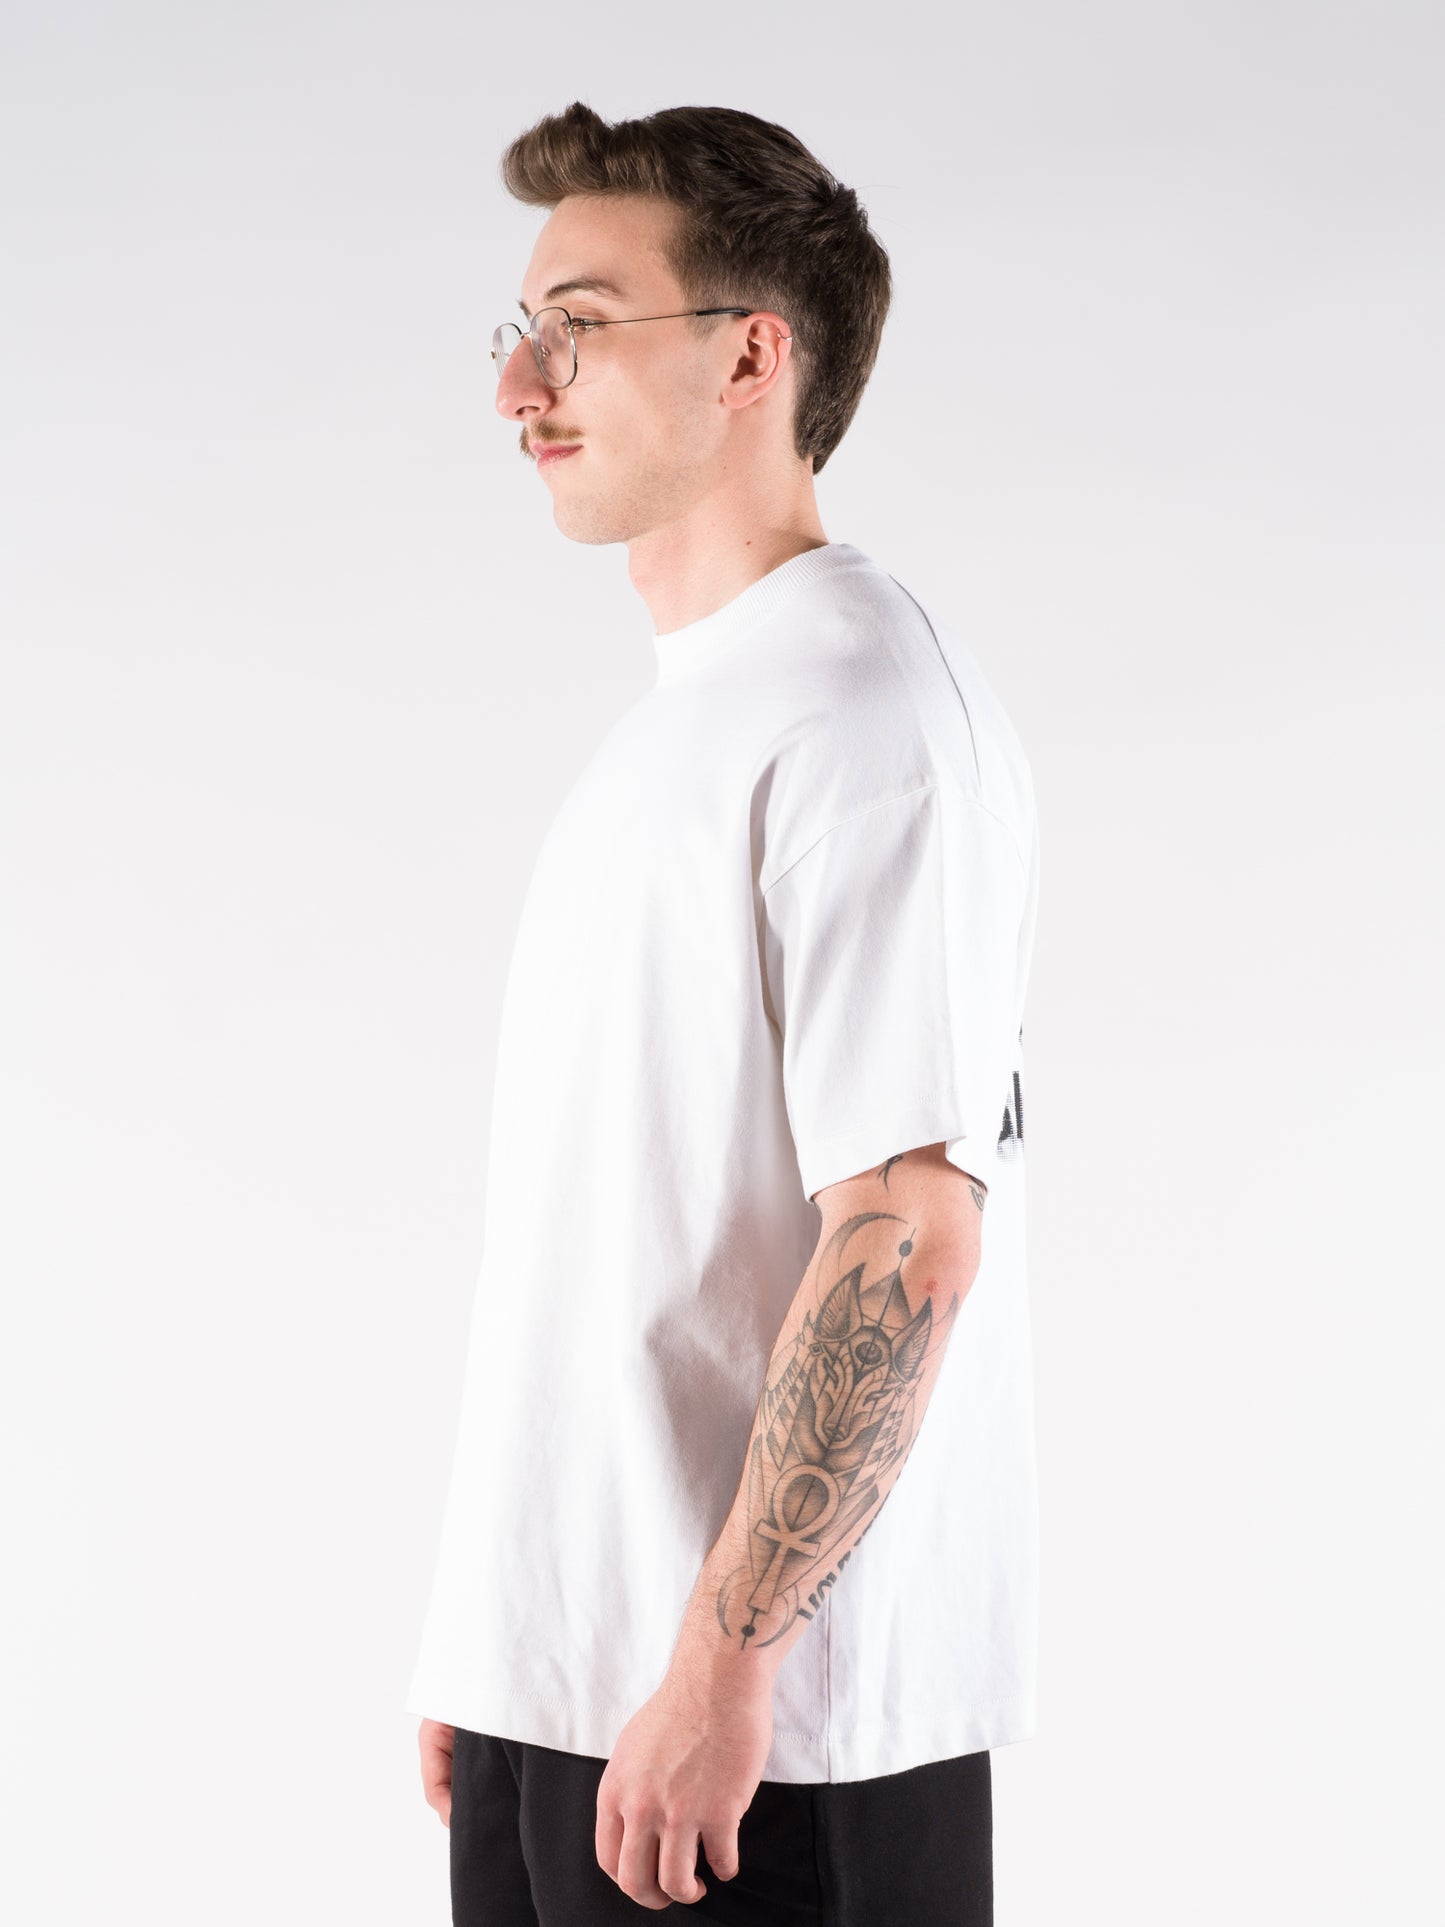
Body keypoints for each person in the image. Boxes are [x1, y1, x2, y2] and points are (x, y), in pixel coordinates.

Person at [407, 100, 1040, 1925]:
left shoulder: (865, 715)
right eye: (519, 329)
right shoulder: (688, 721)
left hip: (765, 1751)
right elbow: (623, 1244)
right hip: (574, 1700)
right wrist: (499, 1633)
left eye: (579, 326)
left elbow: (905, 1236)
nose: (519, 384)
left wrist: (721, 1670)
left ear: (751, 356)